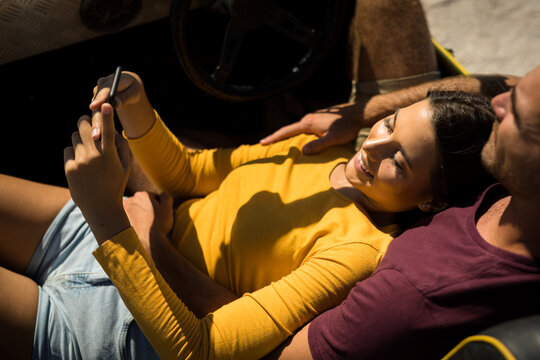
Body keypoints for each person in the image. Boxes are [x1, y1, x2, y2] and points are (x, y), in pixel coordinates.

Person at [0, 68, 496, 359]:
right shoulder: (318, 149)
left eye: (401, 162)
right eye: (387, 124)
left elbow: (201, 349)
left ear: (430, 201)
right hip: (105, 228)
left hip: (120, 323)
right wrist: (136, 107)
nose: (376, 147)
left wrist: (113, 220)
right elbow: (191, 174)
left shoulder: (359, 252)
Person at [263, 64, 540, 360]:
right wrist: (360, 113)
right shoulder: (518, 173)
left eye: (518, 115)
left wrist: (206, 284)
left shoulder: (414, 293)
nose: (497, 101)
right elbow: (502, 83)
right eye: (511, 94)